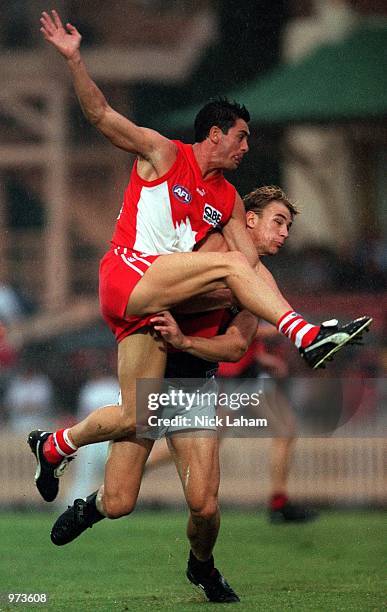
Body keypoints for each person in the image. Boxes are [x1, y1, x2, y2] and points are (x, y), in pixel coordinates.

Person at [29, 10, 371, 509]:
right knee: (233, 269)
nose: (247, 146)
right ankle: (307, 335)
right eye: (241, 136)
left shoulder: (230, 198)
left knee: (134, 417)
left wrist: (265, 277)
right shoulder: (163, 153)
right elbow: (101, 115)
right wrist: (75, 59)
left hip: (154, 304)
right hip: (128, 274)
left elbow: (250, 263)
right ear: (215, 134)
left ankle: (53, 445)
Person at [50, 186, 322, 603]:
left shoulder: (260, 282)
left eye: (288, 225)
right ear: (248, 219)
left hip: (195, 384)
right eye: (278, 221)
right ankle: (91, 503)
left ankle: (202, 566)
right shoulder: (206, 244)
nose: (285, 232)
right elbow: (162, 289)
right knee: (120, 501)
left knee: (205, 507)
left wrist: (186, 341)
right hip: (152, 372)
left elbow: (234, 346)